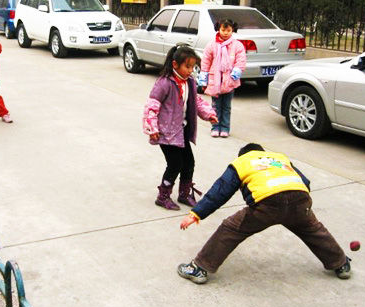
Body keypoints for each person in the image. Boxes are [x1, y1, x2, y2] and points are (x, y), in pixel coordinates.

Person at [177, 143, 351, 284]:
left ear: (243, 155)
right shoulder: (279, 158)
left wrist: (196, 214)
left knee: (230, 229)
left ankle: (199, 268)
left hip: (268, 204)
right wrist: (297, 205)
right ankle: (341, 263)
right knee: (314, 230)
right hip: (300, 199)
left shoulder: (242, 162)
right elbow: (304, 181)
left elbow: (220, 191)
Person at [143, 45, 218, 210]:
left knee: (189, 162)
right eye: (187, 66)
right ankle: (163, 196)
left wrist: (209, 114)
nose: (191, 71)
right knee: (175, 164)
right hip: (165, 133)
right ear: (175, 64)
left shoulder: (189, 82)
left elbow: (196, 101)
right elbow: (152, 107)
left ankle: (184, 193)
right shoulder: (164, 83)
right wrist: (152, 128)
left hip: (181, 131)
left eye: (193, 67)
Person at [198, 19, 246, 138]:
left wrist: (236, 71)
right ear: (218, 29)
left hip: (229, 81)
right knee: (215, 106)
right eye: (223, 30)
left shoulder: (237, 45)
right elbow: (205, 62)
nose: (225, 33)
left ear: (232, 30)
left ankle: (225, 127)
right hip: (215, 81)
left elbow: (241, 60)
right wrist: (203, 78)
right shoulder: (212, 45)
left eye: (228, 30)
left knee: (226, 106)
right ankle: (215, 127)